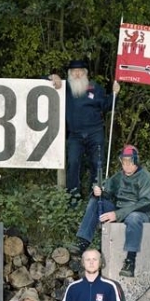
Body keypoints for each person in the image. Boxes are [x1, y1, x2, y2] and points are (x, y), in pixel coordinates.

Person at [72, 144, 150, 278]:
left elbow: (145, 203)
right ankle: (83, 240)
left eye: (130, 162)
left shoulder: (146, 177)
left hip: (140, 213)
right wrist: (98, 191)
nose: (127, 165)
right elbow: (107, 191)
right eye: (124, 162)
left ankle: (130, 260)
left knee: (133, 218)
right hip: (119, 209)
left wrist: (117, 214)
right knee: (95, 201)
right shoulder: (117, 177)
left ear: (136, 161)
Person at [50, 59, 120, 198]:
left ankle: (96, 195)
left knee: (97, 163)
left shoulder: (95, 88)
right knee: (73, 162)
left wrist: (114, 94)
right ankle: (73, 195)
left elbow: (106, 106)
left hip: (95, 132)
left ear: (85, 73)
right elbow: (41, 83)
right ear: (70, 74)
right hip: (75, 134)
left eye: (80, 71)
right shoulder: (64, 88)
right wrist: (52, 77)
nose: (77, 74)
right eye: (74, 72)